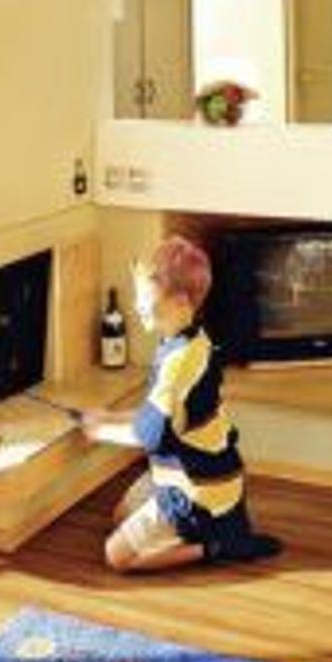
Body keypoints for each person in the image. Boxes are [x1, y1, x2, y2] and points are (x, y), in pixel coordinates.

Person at [80, 235, 281, 573]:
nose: (138, 306)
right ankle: (208, 529)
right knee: (119, 517)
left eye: (147, 297)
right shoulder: (187, 339)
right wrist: (110, 417)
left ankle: (217, 546)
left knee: (115, 555)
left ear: (182, 301)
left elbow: (149, 435)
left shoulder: (181, 364)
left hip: (197, 488)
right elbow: (155, 417)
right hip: (195, 471)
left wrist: (99, 431)